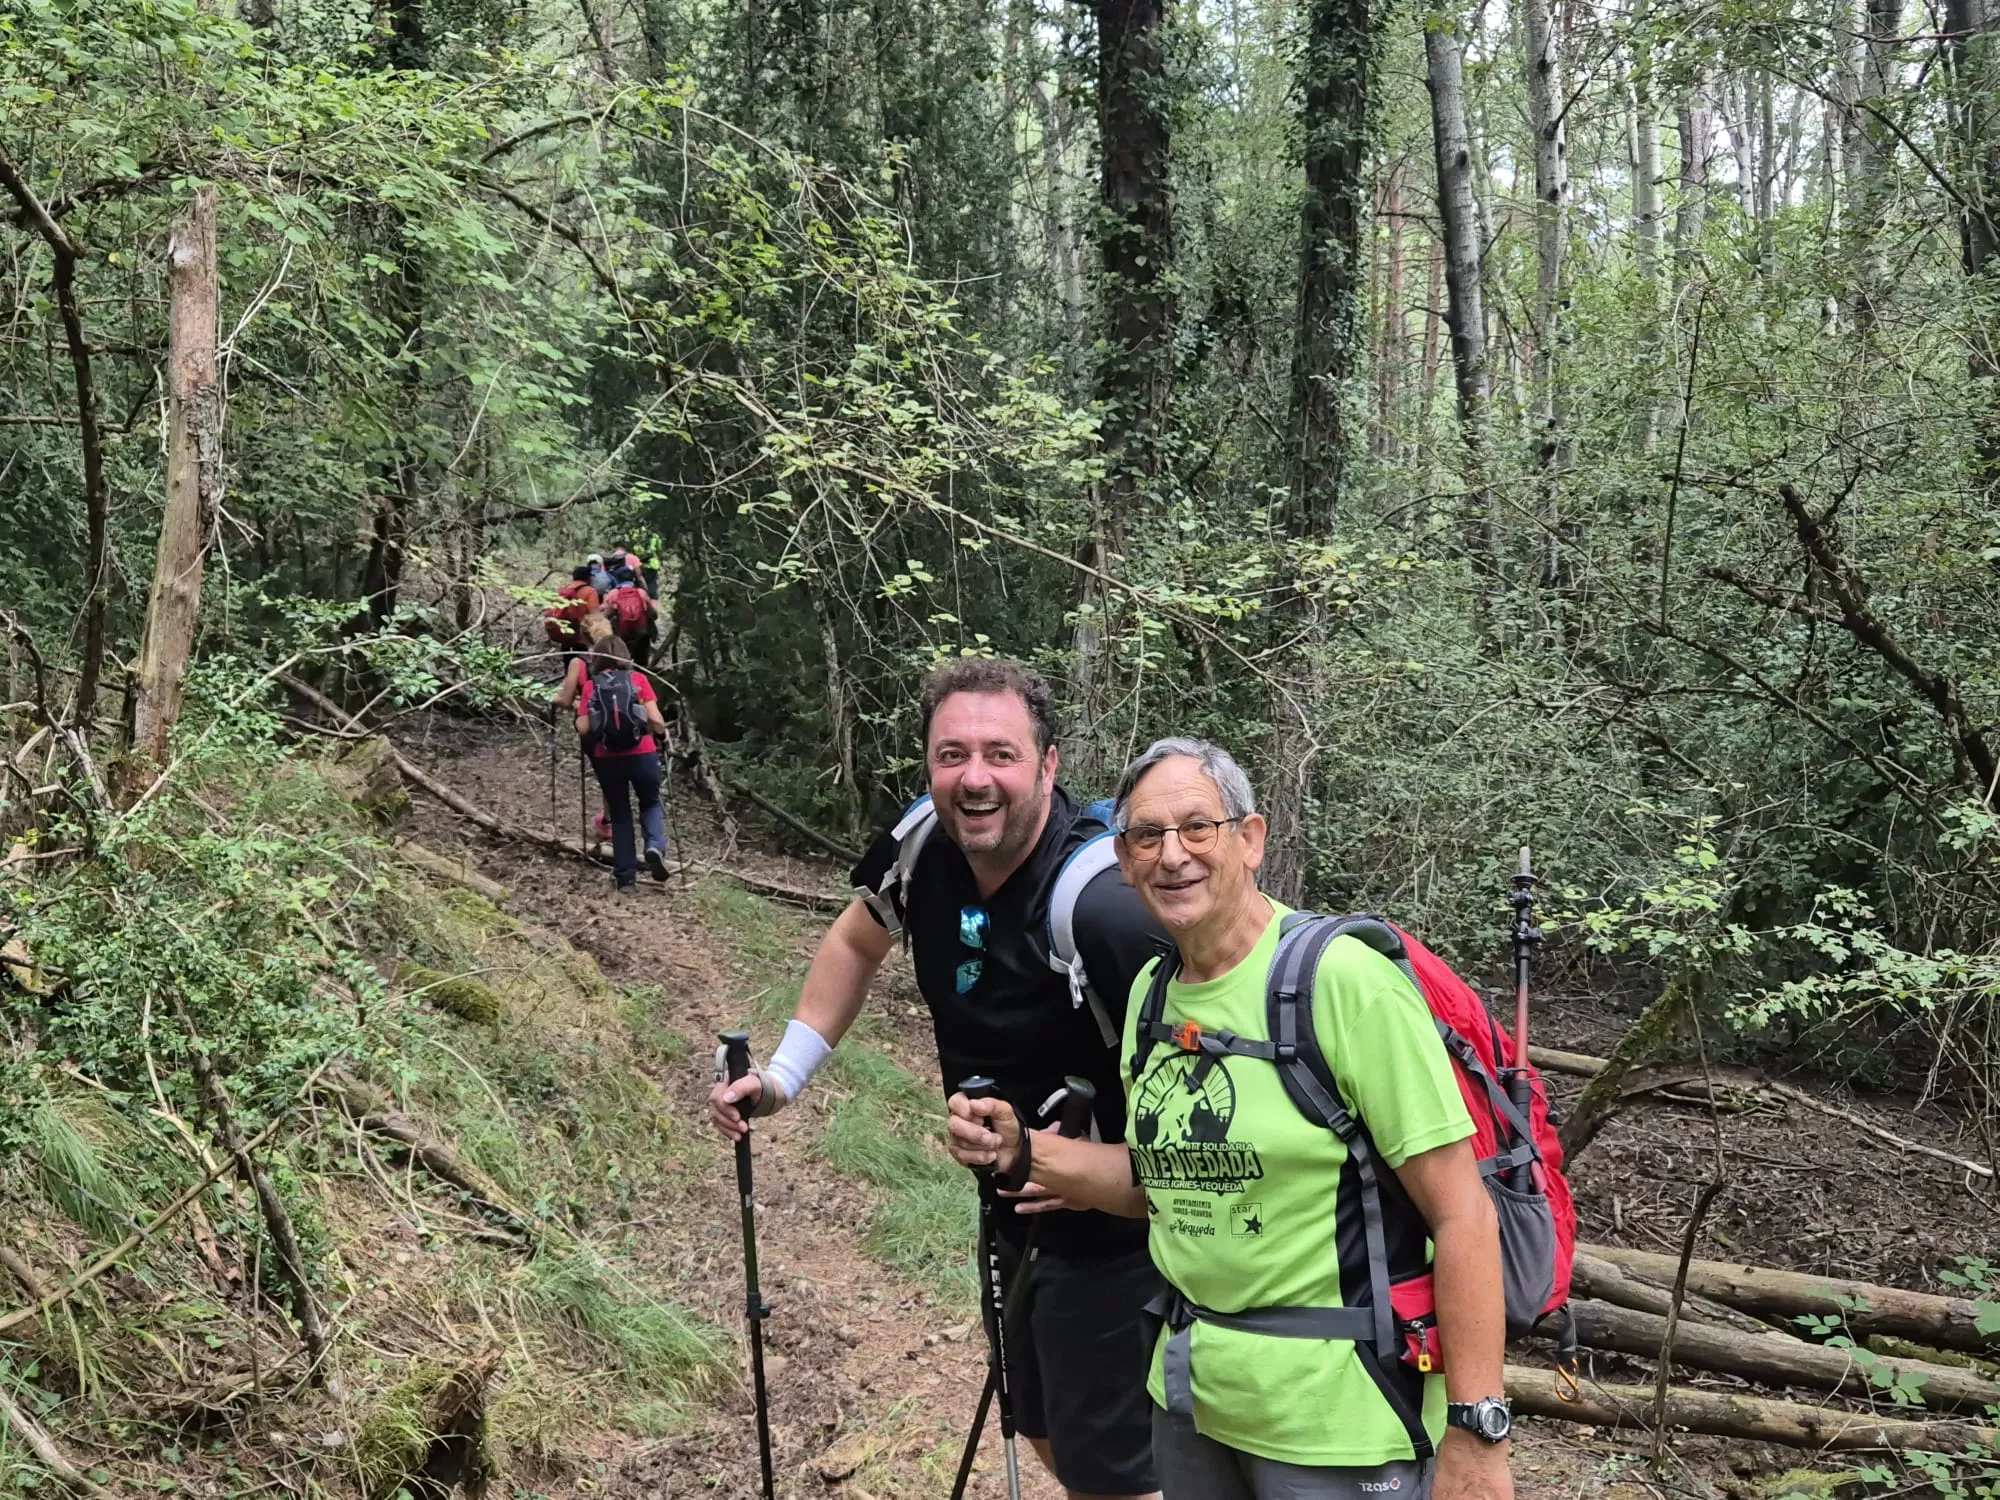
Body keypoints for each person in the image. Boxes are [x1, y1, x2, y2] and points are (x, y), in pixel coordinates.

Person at [948, 738, 1515, 1500]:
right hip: (1193, 1406)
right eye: (1146, 836)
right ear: (1122, 857)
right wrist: (1025, 1153)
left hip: (1340, 1420)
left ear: (1250, 840)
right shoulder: (1152, 994)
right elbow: (1165, 1186)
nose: (1171, 855)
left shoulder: (1341, 982)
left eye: (1197, 828)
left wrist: (1478, 1437)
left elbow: (1463, 1215)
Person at [707, 659, 1167, 1500]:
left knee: (1112, 1474)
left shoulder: (1101, 902)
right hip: (1008, 1204)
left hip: (1118, 1234)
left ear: (1050, 764)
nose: (975, 778)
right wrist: (781, 1079)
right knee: (1037, 1430)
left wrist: (1097, 1170)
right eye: (952, 755)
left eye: (1001, 753)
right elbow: (854, 941)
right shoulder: (921, 845)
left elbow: (1209, 1068)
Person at [555, 634, 671, 891]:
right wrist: (662, 736)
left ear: (597, 658)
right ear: (624, 655)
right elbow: (657, 721)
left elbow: (583, 728)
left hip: (608, 758)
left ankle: (626, 879)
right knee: (650, 802)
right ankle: (654, 846)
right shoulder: (638, 680)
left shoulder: (591, 685)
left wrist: (581, 716)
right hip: (643, 754)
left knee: (620, 814)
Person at [603, 567, 659, 671]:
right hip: (641, 633)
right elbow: (654, 614)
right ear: (633, 579)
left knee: (621, 662)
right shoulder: (641, 593)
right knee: (641, 663)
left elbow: (604, 615)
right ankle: (641, 681)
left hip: (621, 634)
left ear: (617, 579)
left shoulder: (613, 594)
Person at [543, 566, 600, 667]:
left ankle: (569, 679)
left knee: (568, 664)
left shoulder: (564, 591)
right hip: (583, 637)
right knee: (584, 665)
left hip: (566, 635)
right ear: (588, 578)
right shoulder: (590, 591)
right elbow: (595, 614)